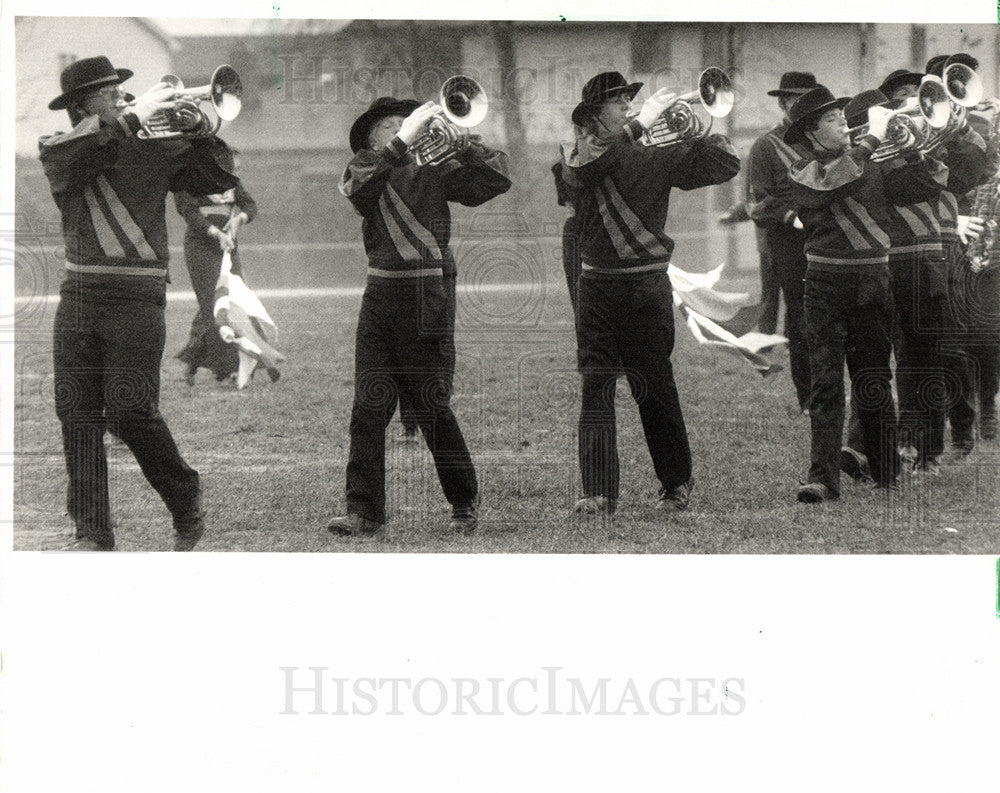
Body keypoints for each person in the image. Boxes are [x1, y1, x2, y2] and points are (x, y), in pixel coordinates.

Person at [40, 56, 239, 550]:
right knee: (78, 414)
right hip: (80, 295)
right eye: (106, 93)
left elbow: (214, 180)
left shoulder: (152, 144)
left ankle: (184, 495)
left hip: (136, 296)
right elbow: (74, 162)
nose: (121, 97)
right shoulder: (61, 147)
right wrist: (128, 119)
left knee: (131, 413)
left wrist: (202, 130)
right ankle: (92, 531)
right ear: (79, 105)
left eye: (119, 91)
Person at [326, 96, 511, 537]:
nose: (404, 129)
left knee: (430, 406)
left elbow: (496, 181)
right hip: (380, 297)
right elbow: (357, 191)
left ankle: (464, 498)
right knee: (368, 407)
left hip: (428, 294)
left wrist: (464, 142)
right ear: (371, 138)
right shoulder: (362, 168)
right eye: (392, 125)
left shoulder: (433, 167)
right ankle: (363, 511)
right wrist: (401, 142)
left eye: (407, 123)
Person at [562, 71, 741, 516]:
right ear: (592, 116)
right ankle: (598, 491)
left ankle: (676, 483)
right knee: (597, 386)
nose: (628, 107)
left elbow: (725, 166)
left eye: (630, 101)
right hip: (599, 285)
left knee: (655, 385)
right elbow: (587, 170)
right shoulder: (580, 150)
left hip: (647, 284)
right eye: (618, 103)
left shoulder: (653, 152)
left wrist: (698, 135)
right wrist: (640, 125)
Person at [786, 86, 906, 502]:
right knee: (826, 382)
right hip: (825, 284)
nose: (844, 123)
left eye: (843, 117)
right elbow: (828, 184)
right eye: (835, 120)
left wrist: (919, 147)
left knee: (874, 376)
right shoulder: (802, 167)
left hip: (873, 279)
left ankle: (887, 469)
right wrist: (872, 139)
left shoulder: (871, 158)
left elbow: (923, 186)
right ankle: (823, 478)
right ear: (812, 131)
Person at [926, 53, 999, 452]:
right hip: (944, 233)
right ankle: (962, 416)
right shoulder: (925, 122)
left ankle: (986, 404)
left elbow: (991, 173)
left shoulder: (986, 122)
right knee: (952, 336)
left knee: (987, 329)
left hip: (985, 233)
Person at [747, 71, 818, 413]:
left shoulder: (829, 140)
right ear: (783, 103)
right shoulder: (766, 146)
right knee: (802, 317)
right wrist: (791, 216)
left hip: (830, 235)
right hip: (789, 241)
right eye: (795, 100)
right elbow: (758, 203)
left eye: (809, 100)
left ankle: (829, 388)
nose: (802, 107)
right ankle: (809, 397)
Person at [174, 147, 257, 384]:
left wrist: (239, 219)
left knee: (229, 302)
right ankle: (228, 369)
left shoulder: (233, 183)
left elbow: (250, 206)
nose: (236, 173)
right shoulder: (191, 179)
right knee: (214, 305)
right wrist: (216, 233)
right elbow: (190, 214)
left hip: (228, 248)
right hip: (201, 248)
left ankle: (191, 361)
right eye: (234, 168)